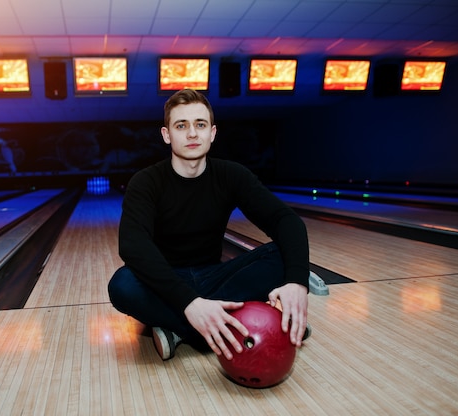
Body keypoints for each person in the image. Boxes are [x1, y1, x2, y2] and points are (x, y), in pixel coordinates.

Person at [108, 89, 310, 361]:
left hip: (215, 276)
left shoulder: (232, 175)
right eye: (181, 125)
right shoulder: (146, 182)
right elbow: (133, 245)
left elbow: (284, 220)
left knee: (284, 256)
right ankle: (233, 324)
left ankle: (180, 329)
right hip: (166, 282)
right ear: (167, 135)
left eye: (200, 125)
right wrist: (189, 303)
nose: (192, 134)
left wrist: (297, 283)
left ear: (212, 133)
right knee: (123, 285)